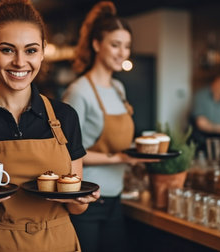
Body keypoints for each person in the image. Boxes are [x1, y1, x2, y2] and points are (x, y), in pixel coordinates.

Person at [0, 1, 99, 251]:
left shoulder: (65, 117)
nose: (20, 62)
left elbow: (76, 207)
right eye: (7, 50)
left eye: (31, 50)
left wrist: (81, 200)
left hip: (58, 243)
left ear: (43, 51)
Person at [62, 2, 158, 251]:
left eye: (126, 46)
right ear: (96, 45)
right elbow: (64, 152)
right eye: (115, 45)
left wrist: (140, 152)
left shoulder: (118, 88)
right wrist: (120, 158)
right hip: (87, 199)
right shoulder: (79, 91)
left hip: (116, 197)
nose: (122, 52)